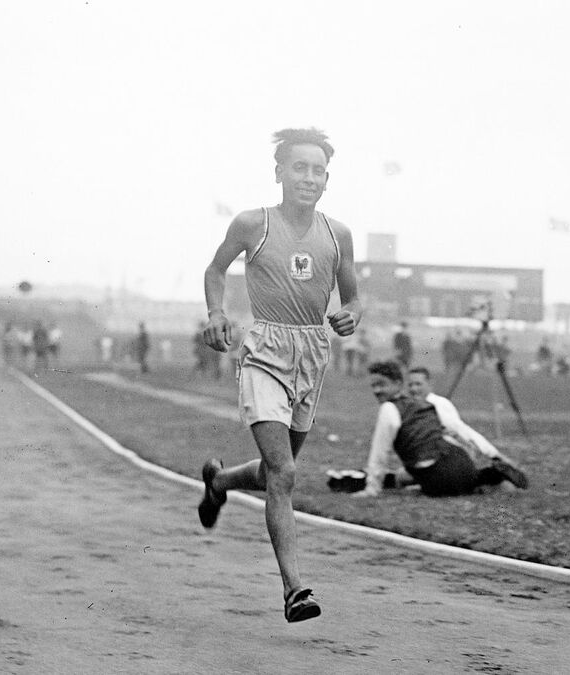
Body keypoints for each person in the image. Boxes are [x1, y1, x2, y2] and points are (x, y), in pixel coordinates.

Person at [197, 128, 361, 623]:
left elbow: (353, 296)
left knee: (275, 470)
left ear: (326, 180)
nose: (308, 177)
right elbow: (214, 270)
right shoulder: (253, 223)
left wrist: (352, 313)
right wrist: (215, 313)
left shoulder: (338, 235)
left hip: (312, 353)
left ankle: (220, 480)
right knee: (285, 474)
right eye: (299, 168)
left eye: (317, 170)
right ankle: (294, 590)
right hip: (265, 350)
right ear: (280, 173)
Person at [352, 361, 528, 499]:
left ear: (398, 383)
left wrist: (372, 488)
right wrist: (496, 455)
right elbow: (464, 430)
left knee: (420, 479)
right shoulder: (426, 403)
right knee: (457, 480)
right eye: (373, 386)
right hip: (462, 464)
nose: (377, 390)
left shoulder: (389, 408)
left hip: (437, 476)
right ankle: (491, 476)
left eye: (381, 384)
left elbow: (380, 451)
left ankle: (489, 478)